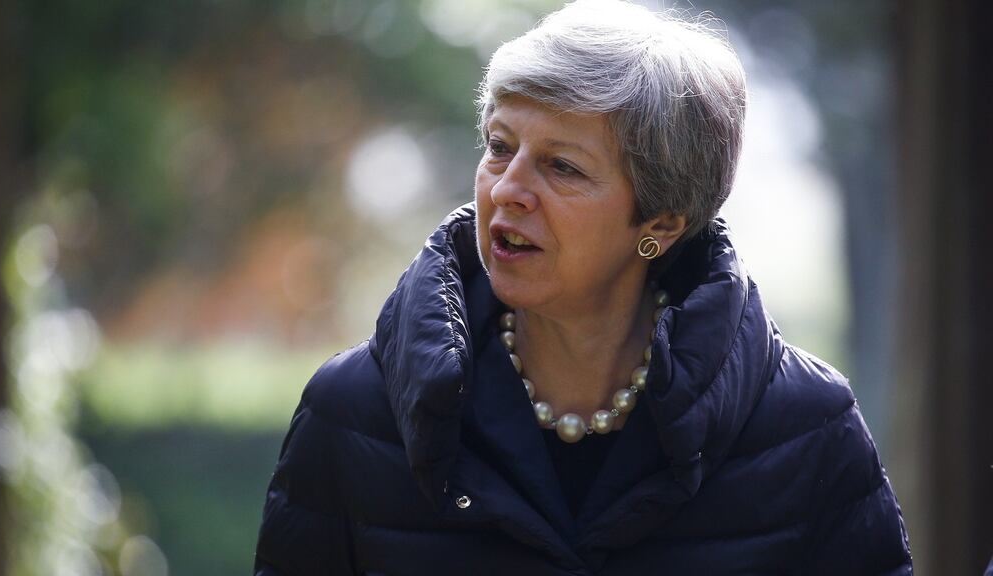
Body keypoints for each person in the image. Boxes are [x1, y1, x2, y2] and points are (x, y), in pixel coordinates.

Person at [253, 1, 912, 574]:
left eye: (561, 167)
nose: (508, 188)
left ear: (659, 223)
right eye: (499, 145)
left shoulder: (807, 429)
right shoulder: (351, 413)